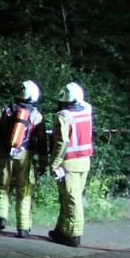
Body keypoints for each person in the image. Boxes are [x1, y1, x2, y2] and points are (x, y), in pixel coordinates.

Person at [0, 80, 47, 237]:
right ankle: (23, 227)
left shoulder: (5, 111)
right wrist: (43, 160)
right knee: (24, 190)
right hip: (25, 155)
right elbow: (41, 141)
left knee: (1, 186)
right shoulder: (37, 115)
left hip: (4, 153)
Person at [48, 82, 93, 247]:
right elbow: (86, 104)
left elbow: (62, 143)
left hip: (69, 163)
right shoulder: (86, 111)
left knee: (72, 200)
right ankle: (62, 230)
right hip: (85, 162)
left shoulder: (63, 116)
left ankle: (73, 235)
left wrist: (55, 163)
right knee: (68, 198)